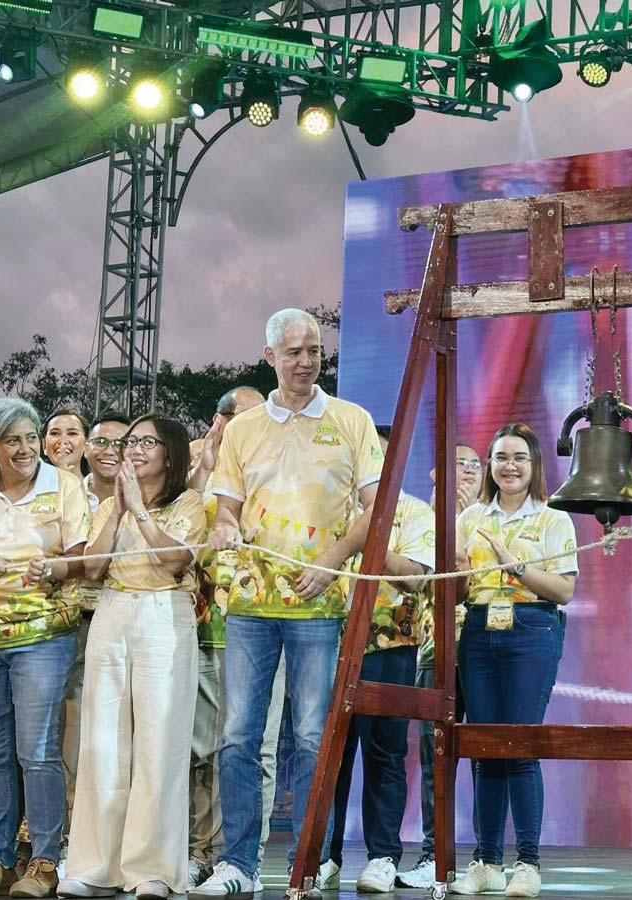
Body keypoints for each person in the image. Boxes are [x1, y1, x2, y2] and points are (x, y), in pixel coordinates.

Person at [191, 309, 383, 900]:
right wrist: (224, 526)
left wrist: (331, 563)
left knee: (310, 736)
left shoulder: (352, 419)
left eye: (315, 351)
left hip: (320, 607)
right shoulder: (244, 428)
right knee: (240, 735)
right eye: (294, 352)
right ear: (269, 356)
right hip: (250, 605)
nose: (306, 362)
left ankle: (307, 861)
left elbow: (375, 507)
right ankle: (239, 864)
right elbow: (226, 506)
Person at [58, 414, 206, 899]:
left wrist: (140, 511)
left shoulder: (190, 503)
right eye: (131, 442)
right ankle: (93, 865)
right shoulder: (109, 506)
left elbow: (176, 560)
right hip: (113, 613)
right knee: (102, 743)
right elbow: (94, 567)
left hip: (165, 615)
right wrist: (119, 512)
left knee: (158, 744)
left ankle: (152, 871)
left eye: (148, 442)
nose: (135, 450)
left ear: (171, 453)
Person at [0, 398, 89, 899]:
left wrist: (53, 568)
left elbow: (83, 558)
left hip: (45, 636)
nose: (28, 448)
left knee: (37, 750)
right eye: (14, 440)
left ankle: (46, 861)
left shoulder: (65, 485)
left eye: (32, 437)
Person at [449, 424, 577, 899]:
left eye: (520, 457)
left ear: (534, 465)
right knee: (484, 747)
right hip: (479, 630)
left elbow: (565, 590)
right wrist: (461, 569)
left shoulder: (553, 518)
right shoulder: (469, 518)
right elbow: (459, 591)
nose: (510, 465)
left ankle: (528, 863)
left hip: (532, 630)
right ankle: (486, 861)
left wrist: (514, 565)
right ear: (490, 465)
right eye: (501, 457)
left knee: (520, 744)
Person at [322, 424, 435, 893]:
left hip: (392, 646)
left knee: (386, 753)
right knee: (326, 752)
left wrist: (368, 544)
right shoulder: (331, 505)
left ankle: (383, 855)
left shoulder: (414, 512)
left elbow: (419, 576)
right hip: (326, 642)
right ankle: (321, 854)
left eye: (384, 456)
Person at [185, 386, 278, 891]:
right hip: (197, 634)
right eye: (246, 415)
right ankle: (200, 850)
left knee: (249, 749)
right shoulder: (191, 472)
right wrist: (205, 462)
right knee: (198, 749)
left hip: (262, 629)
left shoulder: (275, 466)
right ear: (219, 421)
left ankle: (242, 857)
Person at [397, 444, 483, 890]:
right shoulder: (418, 520)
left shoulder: (491, 518)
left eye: (474, 466)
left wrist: (465, 525)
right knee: (435, 757)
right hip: (434, 651)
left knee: (487, 754)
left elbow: (469, 585)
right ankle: (435, 855)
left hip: (485, 649)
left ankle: (488, 858)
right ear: (436, 474)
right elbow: (422, 582)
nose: (467, 472)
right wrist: (448, 522)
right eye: (458, 464)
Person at [60, 413, 131, 869]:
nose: (109, 449)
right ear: (86, 448)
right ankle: (74, 841)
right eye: (101, 441)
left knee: (128, 736)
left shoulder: (151, 495)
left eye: (120, 442)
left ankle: (128, 844)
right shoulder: (68, 494)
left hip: (131, 622)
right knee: (77, 736)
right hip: (77, 625)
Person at [43, 410, 89, 482]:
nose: (63, 440)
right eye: (55, 433)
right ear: (44, 445)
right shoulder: (29, 490)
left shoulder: (97, 491)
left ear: (86, 445)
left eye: (72, 433)